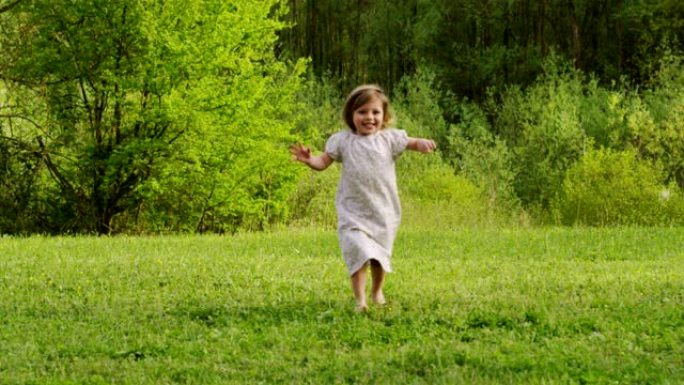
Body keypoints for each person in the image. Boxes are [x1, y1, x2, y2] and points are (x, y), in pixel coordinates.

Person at [290, 84, 436, 312]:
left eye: (375, 112)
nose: (369, 117)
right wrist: (310, 160)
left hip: (383, 211)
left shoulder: (388, 140)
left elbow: (411, 142)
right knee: (359, 251)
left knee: (378, 257)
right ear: (351, 115)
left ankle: (377, 291)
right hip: (353, 212)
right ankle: (361, 300)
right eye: (362, 112)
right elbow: (323, 162)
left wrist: (422, 144)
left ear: (384, 116)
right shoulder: (343, 141)